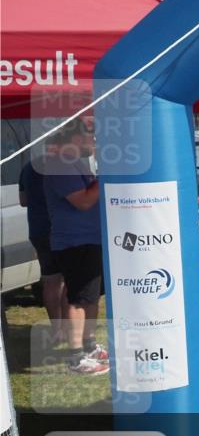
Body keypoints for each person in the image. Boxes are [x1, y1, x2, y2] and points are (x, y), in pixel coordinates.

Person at [43, 118, 108, 375]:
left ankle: (89, 346)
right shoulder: (60, 165)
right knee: (78, 298)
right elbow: (82, 201)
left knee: (90, 296)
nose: (93, 142)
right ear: (75, 138)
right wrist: (106, 176)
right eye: (90, 136)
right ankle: (75, 356)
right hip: (74, 241)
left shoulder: (74, 163)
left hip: (89, 240)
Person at [19, 149, 68, 344]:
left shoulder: (28, 167)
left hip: (39, 230)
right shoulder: (64, 166)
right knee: (69, 280)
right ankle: (68, 328)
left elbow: (23, 201)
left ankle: (56, 329)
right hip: (62, 229)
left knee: (50, 280)